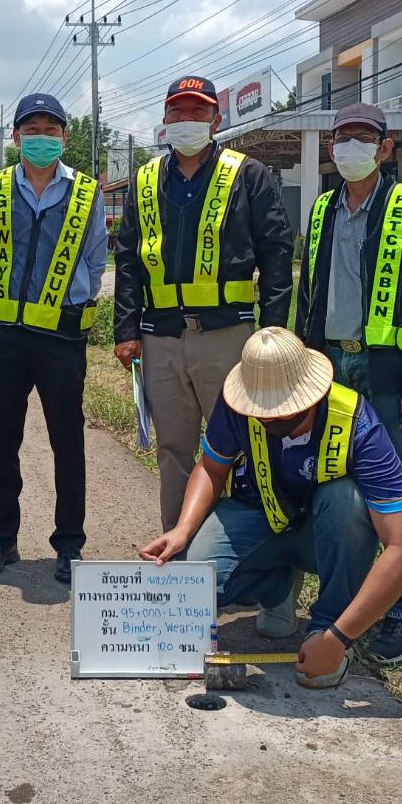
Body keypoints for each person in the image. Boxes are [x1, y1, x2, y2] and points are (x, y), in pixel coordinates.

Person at [140, 327, 402, 690]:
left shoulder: (359, 426)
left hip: (327, 535)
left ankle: (327, 625)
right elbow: (211, 468)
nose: (270, 418)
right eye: (262, 410)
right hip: (260, 516)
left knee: (347, 499)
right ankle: (277, 588)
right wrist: (182, 530)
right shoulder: (236, 405)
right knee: (196, 577)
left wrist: (338, 637)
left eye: (282, 410)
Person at [295, 101, 402, 664]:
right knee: (333, 484)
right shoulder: (323, 209)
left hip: (388, 372)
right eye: (342, 138)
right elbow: (309, 295)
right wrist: (304, 365)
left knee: (399, 490)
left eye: (363, 138)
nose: (350, 148)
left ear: (386, 148)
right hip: (332, 367)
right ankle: (345, 605)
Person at [112, 73, 293, 537]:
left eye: (198, 111)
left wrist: (273, 331)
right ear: (165, 119)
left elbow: (276, 253)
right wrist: (126, 329)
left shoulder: (247, 174)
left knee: (241, 445)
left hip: (227, 335)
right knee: (172, 448)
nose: (187, 118)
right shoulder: (145, 179)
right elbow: (128, 257)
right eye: (178, 111)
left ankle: (239, 548)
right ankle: (179, 545)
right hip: (161, 337)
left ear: (216, 119)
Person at [0, 93, 107, 584]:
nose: (41, 138)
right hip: (4, 336)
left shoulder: (86, 192)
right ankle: (1, 540)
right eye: (32, 130)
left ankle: (69, 543)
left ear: (64, 137)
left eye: (51, 130)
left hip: (61, 337)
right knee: (1, 441)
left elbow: (96, 258)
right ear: (16, 137)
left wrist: (71, 301)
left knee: (67, 441)